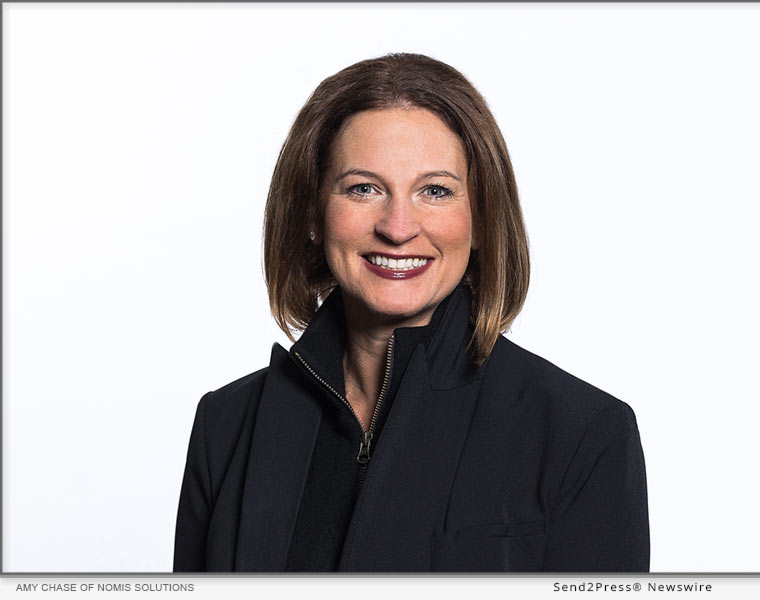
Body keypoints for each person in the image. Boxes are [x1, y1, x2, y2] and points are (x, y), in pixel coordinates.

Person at [173, 53, 649, 572]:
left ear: (481, 218)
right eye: (363, 188)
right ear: (312, 213)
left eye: (435, 191)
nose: (398, 228)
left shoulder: (582, 434)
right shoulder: (227, 426)